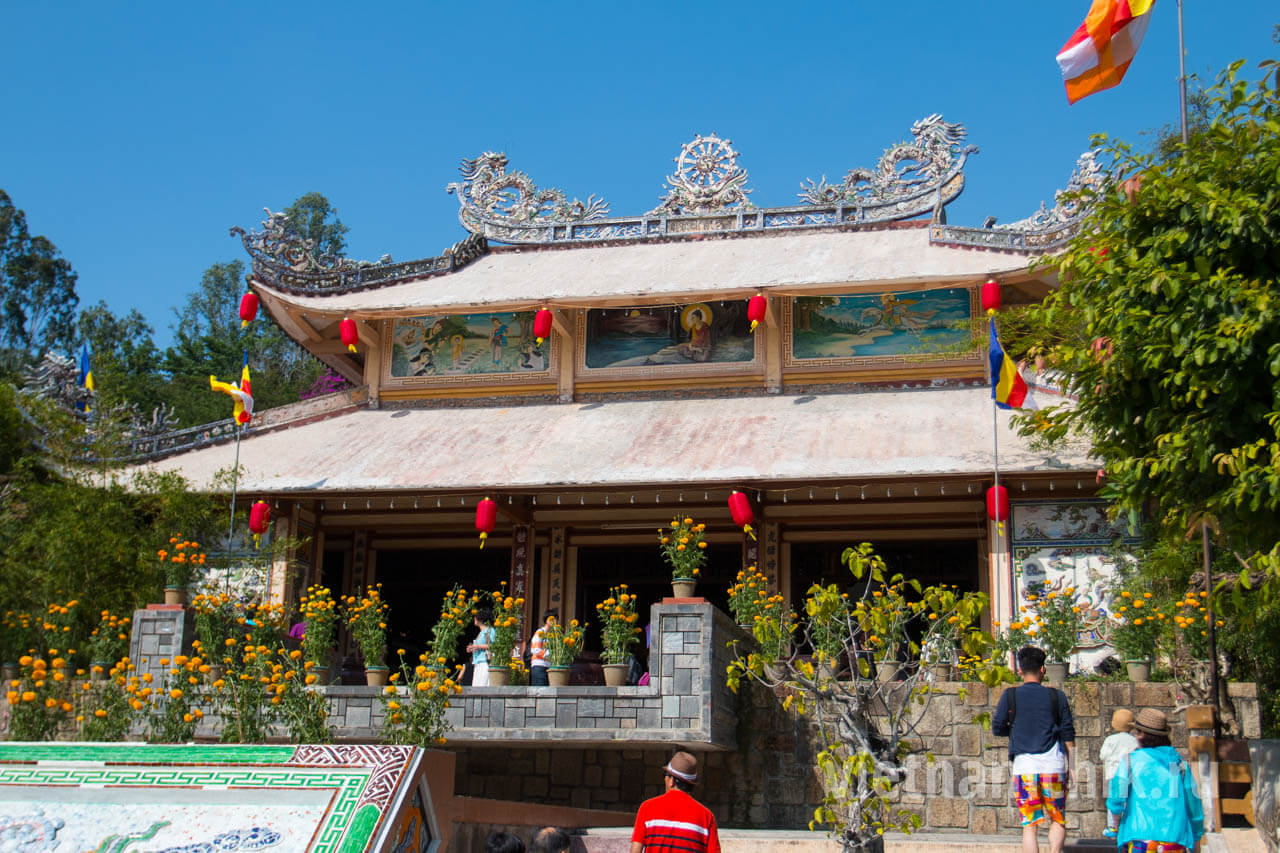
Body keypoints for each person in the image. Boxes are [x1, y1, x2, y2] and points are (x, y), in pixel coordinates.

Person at [991, 646, 1076, 853]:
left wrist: (1014, 731)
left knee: (1029, 826)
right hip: (1054, 766)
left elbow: (997, 727)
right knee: (1057, 818)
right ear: (1043, 670)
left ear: (1019, 671)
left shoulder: (1010, 695)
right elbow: (1068, 733)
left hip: (1024, 768)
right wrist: (1072, 766)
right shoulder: (1057, 696)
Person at [1107, 708, 1204, 853]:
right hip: (1175, 840)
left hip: (1138, 837)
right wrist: (1196, 838)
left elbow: (1116, 797)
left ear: (1142, 735)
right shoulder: (1178, 765)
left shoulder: (1130, 762)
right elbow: (1194, 806)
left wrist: (1116, 823)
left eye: (1137, 733)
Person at [630, 750, 720, 853]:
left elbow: (635, 850)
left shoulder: (647, 808)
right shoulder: (706, 817)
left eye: (665, 775)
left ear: (672, 781)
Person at [1099, 709, 1139, 838]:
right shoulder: (1134, 740)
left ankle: (1112, 827)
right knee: (1127, 801)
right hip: (1129, 775)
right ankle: (1127, 826)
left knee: (1113, 801)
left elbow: (1102, 755)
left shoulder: (1111, 739)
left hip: (1112, 774)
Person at [466, 607, 495, 687]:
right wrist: (472, 648)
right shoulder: (481, 633)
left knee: (482, 686)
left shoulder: (490, 630)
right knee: (476, 686)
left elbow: (493, 645)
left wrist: (477, 646)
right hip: (477, 662)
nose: (474, 619)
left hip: (485, 662)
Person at [529, 610, 556, 687]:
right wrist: (549, 656)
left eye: (556, 619)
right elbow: (535, 650)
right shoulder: (540, 632)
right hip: (539, 666)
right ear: (546, 620)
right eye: (552, 619)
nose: (554, 622)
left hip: (548, 667)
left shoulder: (551, 635)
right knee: (539, 693)